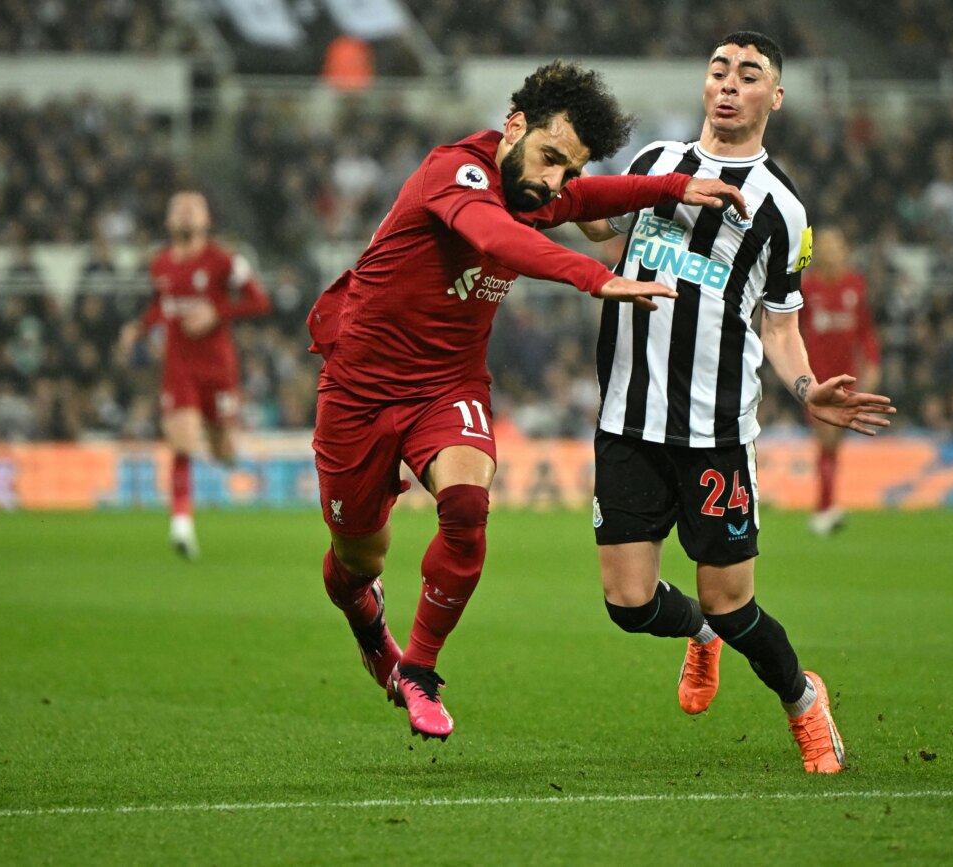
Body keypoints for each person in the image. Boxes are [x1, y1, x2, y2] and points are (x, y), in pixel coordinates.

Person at [308, 61, 749, 742]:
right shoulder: (456, 173)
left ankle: (420, 669)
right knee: (356, 561)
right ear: (513, 126)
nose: (554, 183)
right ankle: (369, 623)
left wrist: (673, 186)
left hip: (446, 387)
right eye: (549, 158)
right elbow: (495, 238)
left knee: (465, 504)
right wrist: (593, 276)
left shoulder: (537, 190)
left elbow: (592, 195)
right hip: (359, 391)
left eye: (566, 170)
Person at [576, 32, 895, 774]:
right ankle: (699, 638)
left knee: (732, 600)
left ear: (772, 98)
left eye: (748, 75)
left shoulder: (783, 208)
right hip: (626, 416)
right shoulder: (655, 164)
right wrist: (556, 182)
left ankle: (802, 700)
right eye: (718, 70)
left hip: (714, 428)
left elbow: (779, 323)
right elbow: (597, 225)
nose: (727, 84)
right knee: (627, 603)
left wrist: (809, 389)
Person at [119, 191, 270, 559]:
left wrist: (216, 313)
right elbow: (161, 305)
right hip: (179, 367)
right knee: (183, 440)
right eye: (179, 208)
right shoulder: (160, 264)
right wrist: (138, 328)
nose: (186, 213)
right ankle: (182, 525)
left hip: (218, 368)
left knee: (222, 450)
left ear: (206, 219)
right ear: (169, 221)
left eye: (194, 208)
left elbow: (258, 301)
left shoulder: (224, 260)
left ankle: (230, 454)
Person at [799, 226, 881, 536]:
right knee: (827, 439)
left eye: (836, 244)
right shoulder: (808, 288)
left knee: (833, 446)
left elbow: (866, 331)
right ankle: (824, 509)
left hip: (849, 378)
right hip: (818, 380)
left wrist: (872, 364)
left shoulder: (855, 286)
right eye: (826, 245)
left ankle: (826, 506)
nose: (831, 250)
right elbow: (792, 331)